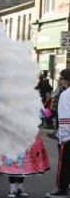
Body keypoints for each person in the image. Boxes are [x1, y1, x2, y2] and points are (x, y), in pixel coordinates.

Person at [0, 133, 50, 198]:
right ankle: (12, 189)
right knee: (11, 168)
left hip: (25, 142)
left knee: (23, 168)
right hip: (12, 142)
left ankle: (19, 188)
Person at [46, 69, 70, 198]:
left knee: (64, 164)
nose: (59, 79)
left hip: (67, 136)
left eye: (61, 77)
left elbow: (65, 117)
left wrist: (64, 136)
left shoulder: (66, 94)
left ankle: (61, 189)